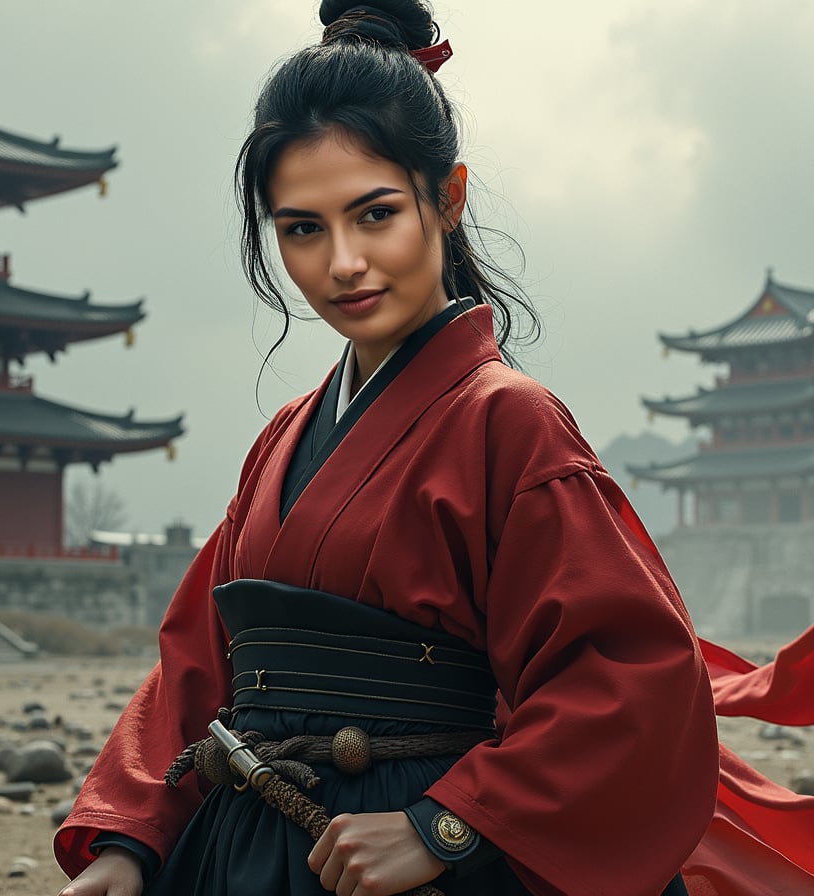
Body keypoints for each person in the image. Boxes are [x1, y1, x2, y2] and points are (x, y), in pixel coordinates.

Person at [54, 2, 723, 894]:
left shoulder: (510, 423)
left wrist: (446, 826)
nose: (342, 264)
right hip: (240, 846)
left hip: (413, 860)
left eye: (374, 215)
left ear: (446, 200)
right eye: (302, 229)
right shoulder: (281, 440)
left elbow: (632, 681)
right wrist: (129, 838)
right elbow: (198, 667)